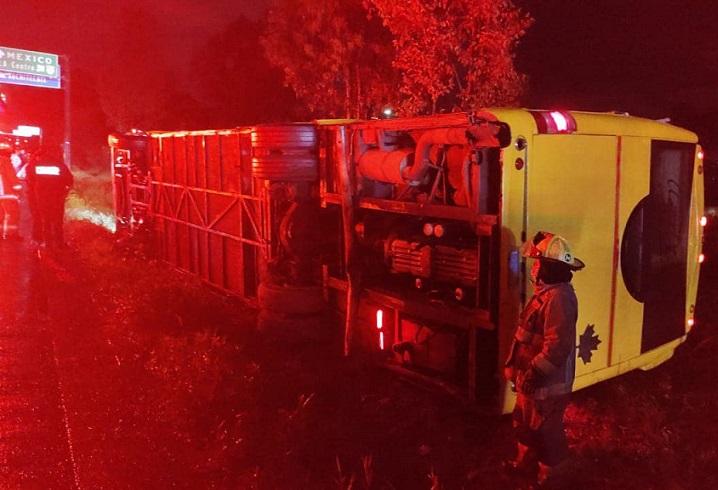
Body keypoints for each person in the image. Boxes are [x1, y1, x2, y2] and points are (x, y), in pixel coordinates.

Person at [504, 231, 585, 487]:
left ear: (548, 268)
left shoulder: (559, 299)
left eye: (538, 262)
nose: (534, 267)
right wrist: (514, 367)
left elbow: (557, 346)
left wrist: (533, 373)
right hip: (533, 382)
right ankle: (524, 464)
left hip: (547, 386)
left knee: (547, 432)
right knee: (525, 424)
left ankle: (552, 477)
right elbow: (525, 337)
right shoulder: (546, 295)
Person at [25, 148, 73, 249]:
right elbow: (69, 180)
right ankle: (59, 244)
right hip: (57, 197)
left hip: (41, 196)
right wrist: (64, 192)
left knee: (45, 220)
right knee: (57, 220)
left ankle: (47, 243)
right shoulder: (59, 165)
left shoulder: (34, 165)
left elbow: (29, 180)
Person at [0, 146, 22, 241]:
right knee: (13, 214)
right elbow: (12, 179)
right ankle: (11, 235)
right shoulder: (5, 162)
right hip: (6, 193)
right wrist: (18, 190)